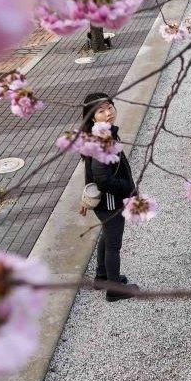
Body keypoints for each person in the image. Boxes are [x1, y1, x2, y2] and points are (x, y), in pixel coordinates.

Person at [81, 92, 139, 302]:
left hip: (107, 201)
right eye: (101, 111)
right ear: (92, 117)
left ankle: (102, 276)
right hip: (110, 201)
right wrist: (128, 188)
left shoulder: (104, 134)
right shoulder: (100, 142)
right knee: (114, 244)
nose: (108, 114)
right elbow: (103, 179)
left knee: (106, 235)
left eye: (110, 107)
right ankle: (114, 290)